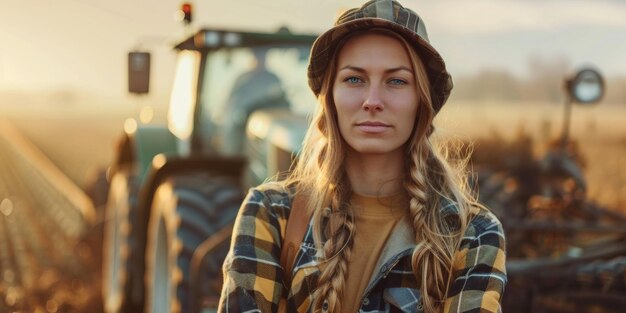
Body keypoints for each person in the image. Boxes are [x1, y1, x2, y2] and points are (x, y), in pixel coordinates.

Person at [218, 0, 507, 312]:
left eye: (396, 81)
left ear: (422, 102)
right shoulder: (272, 214)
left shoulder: (473, 232)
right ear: (330, 96)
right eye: (354, 79)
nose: (372, 100)